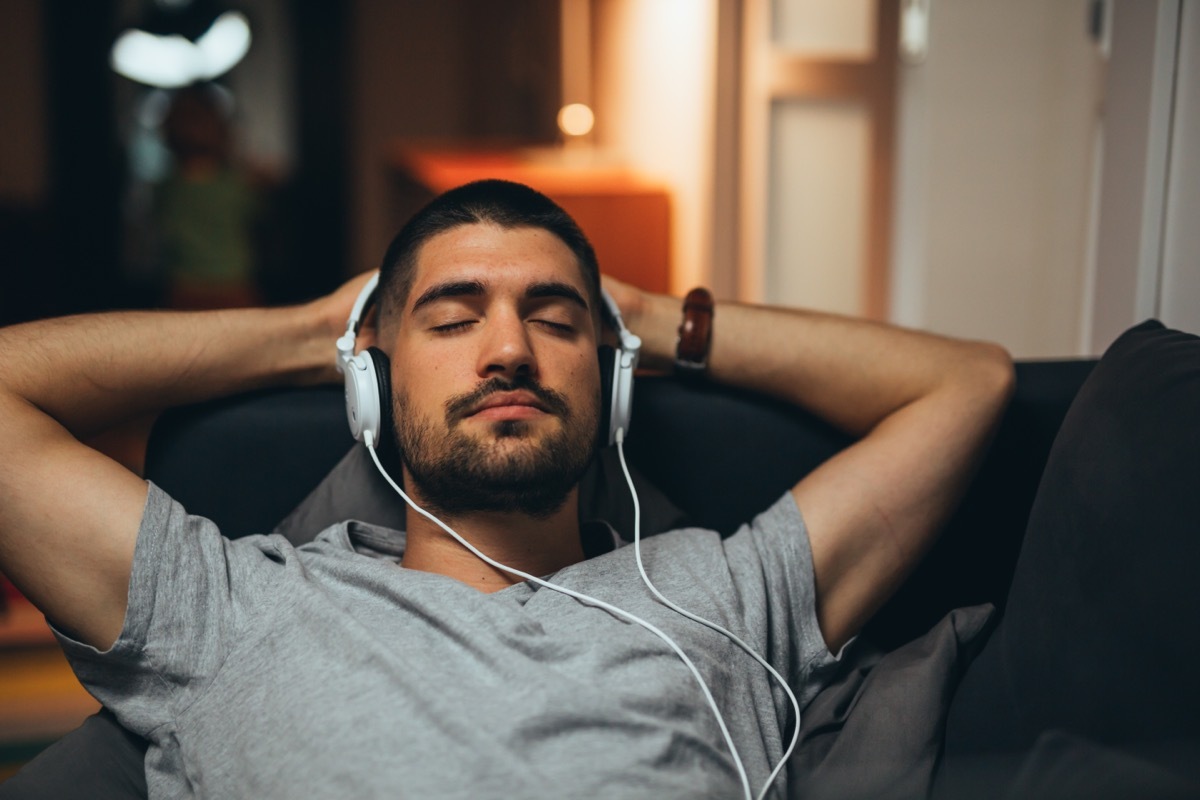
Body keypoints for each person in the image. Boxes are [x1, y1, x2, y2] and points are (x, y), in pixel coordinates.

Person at [0, 179, 1030, 798]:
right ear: (376, 375)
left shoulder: (720, 592)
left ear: (612, 375)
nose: (508, 349)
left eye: (553, 317)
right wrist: (312, 333)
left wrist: (651, 315)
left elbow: (968, 383)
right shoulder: (228, 607)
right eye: (451, 318)